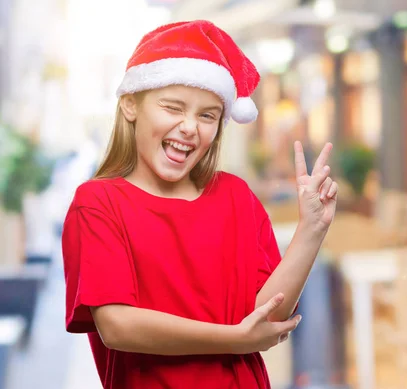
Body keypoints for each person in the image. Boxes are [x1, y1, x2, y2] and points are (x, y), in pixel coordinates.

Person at [61, 20, 338, 389]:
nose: (190, 127)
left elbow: (268, 313)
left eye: (207, 115)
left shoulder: (236, 197)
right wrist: (235, 340)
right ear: (130, 105)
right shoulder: (98, 203)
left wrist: (311, 230)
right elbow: (117, 326)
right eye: (173, 107)